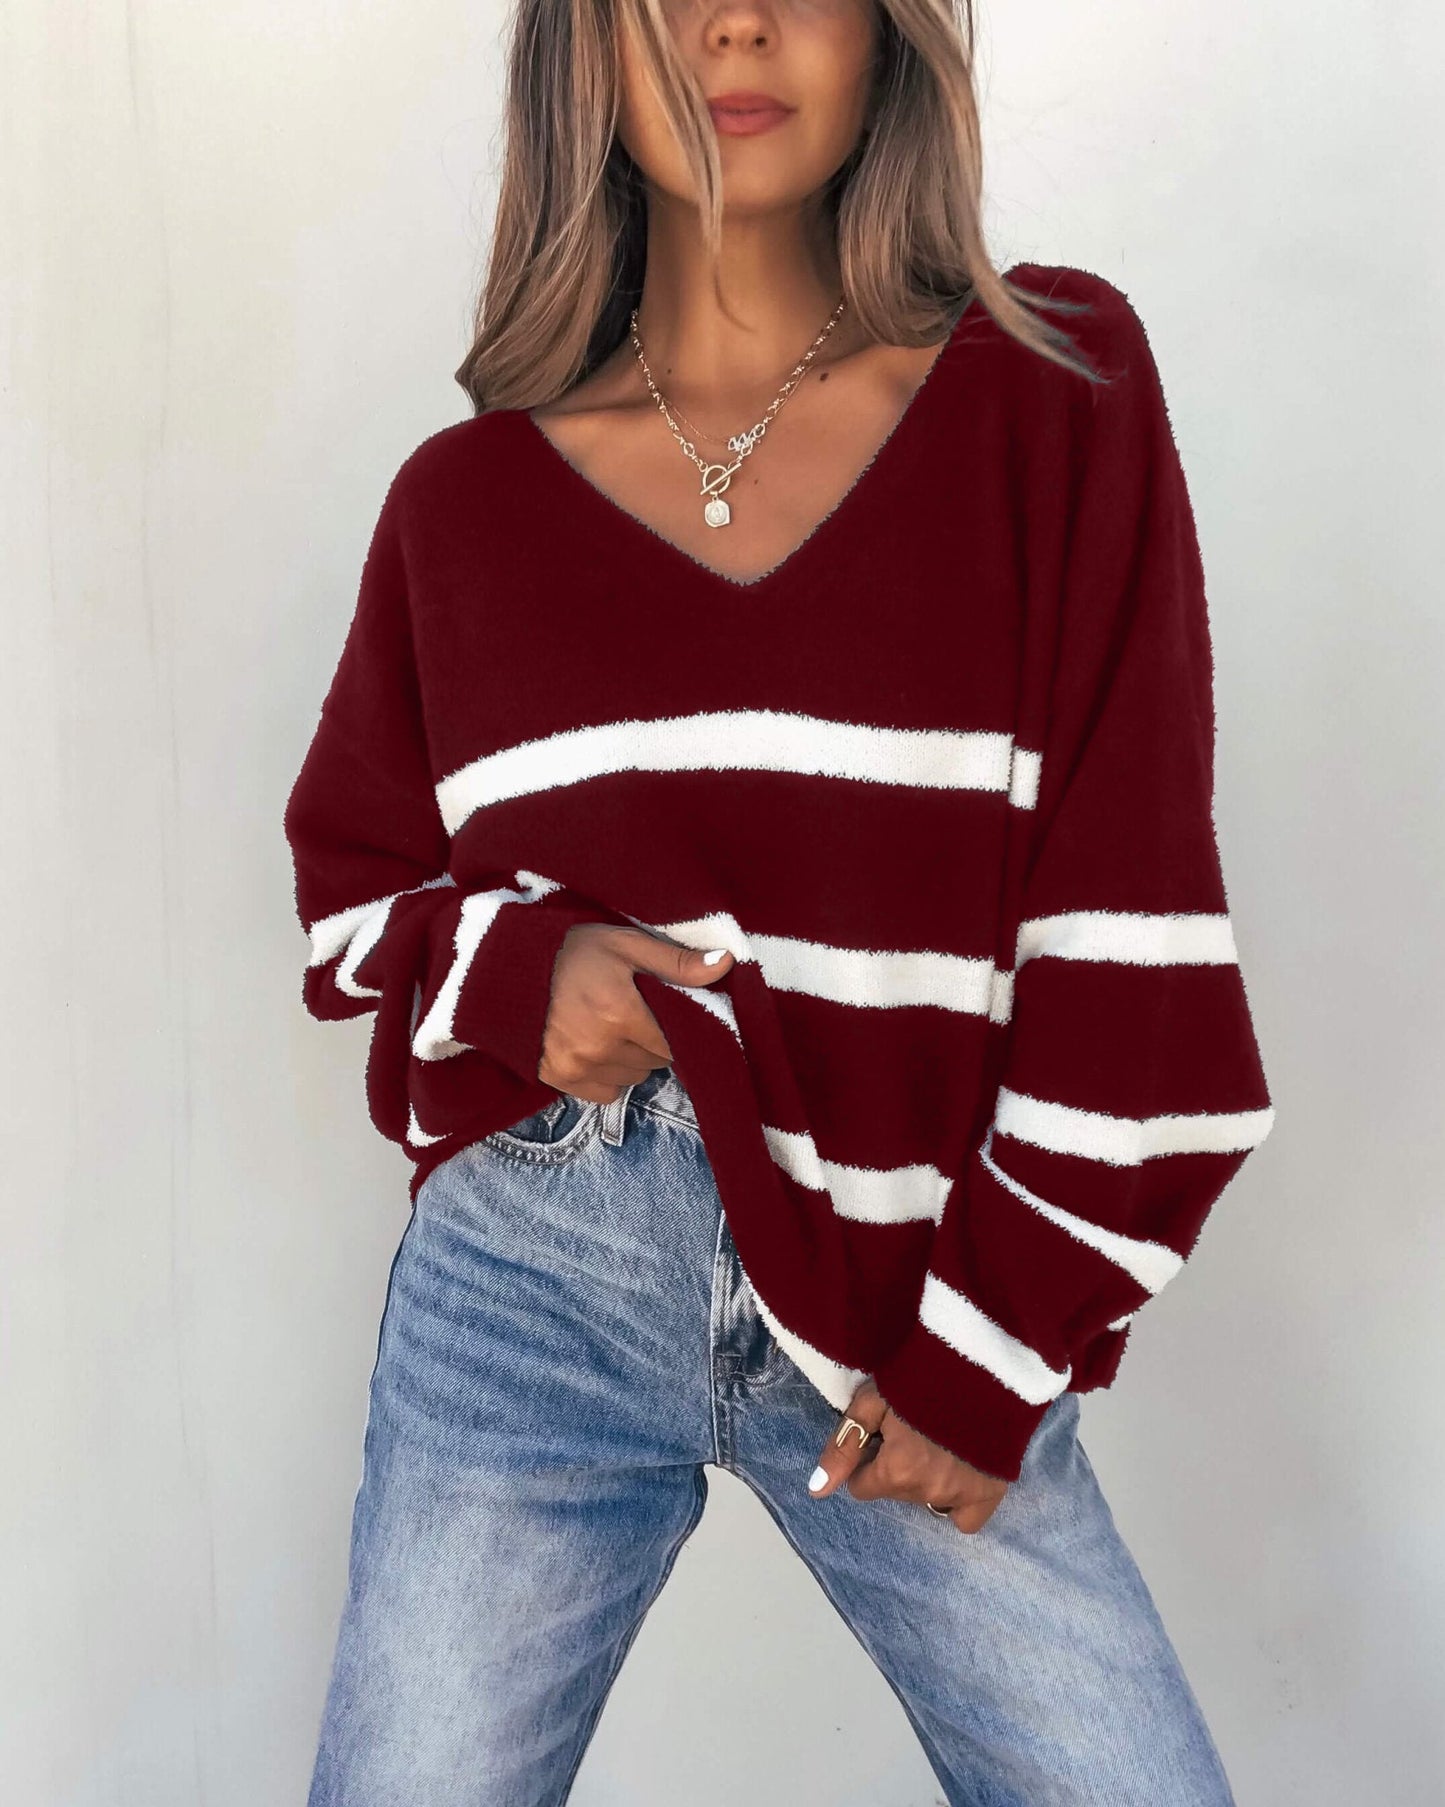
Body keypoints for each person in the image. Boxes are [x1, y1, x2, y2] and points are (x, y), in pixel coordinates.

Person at [284, 1, 1276, 1800]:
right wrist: (527, 968)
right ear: (577, 48)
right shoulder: (460, 506)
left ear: (897, 33)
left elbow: (1137, 945)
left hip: (918, 1283)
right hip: (536, 1277)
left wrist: (994, 1341)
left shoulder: (1048, 390)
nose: (733, 17)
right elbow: (355, 910)